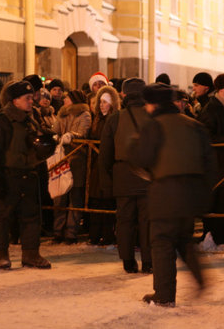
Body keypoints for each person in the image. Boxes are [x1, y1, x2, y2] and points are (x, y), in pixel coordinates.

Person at [129, 83, 216, 307]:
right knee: (184, 238)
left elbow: (143, 158)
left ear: (154, 104)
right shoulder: (194, 125)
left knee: (162, 242)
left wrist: (134, 147)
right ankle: (201, 278)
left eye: (147, 104)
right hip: (192, 191)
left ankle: (164, 295)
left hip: (166, 190)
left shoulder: (154, 125)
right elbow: (209, 163)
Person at [0, 80, 56, 270]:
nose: (31, 101)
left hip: (29, 174)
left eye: (32, 98)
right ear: (15, 100)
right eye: (27, 98)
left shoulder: (31, 119)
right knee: (3, 217)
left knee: (31, 217)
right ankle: (2, 255)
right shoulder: (3, 120)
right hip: (9, 175)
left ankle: (31, 255)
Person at [99, 77, 152, 274]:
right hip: (148, 175)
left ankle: (128, 261)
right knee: (147, 221)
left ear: (123, 94)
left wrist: (106, 182)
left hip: (122, 175)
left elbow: (105, 154)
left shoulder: (115, 119)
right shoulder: (153, 116)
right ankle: (149, 261)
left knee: (125, 221)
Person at [197, 73, 224, 245]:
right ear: (220, 89)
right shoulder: (211, 108)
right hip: (217, 164)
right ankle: (215, 236)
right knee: (218, 199)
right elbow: (204, 135)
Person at [50, 90, 91, 244]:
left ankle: (71, 232)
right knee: (59, 196)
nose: (64, 99)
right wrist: (54, 135)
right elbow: (55, 129)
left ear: (73, 100)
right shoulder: (62, 114)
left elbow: (83, 132)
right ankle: (57, 231)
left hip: (77, 160)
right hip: (61, 159)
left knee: (75, 196)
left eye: (67, 97)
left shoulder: (84, 114)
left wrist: (72, 135)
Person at [87, 85, 120, 245]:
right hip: (95, 167)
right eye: (100, 101)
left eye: (105, 102)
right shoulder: (97, 120)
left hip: (108, 167)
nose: (102, 105)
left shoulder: (114, 120)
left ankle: (107, 234)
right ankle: (94, 234)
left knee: (107, 201)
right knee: (95, 200)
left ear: (112, 103)